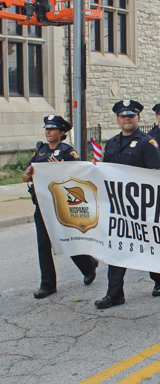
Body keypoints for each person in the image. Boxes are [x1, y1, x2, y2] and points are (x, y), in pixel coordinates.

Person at [95, 100, 160, 309]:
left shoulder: (148, 143)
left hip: (142, 206)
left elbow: (156, 175)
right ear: (118, 119)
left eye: (131, 116)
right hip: (118, 207)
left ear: (138, 118)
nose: (127, 119)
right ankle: (115, 293)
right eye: (123, 116)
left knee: (149, 247)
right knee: (116, 248)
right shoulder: (111, 143)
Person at [22, 115, 98, 299]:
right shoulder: (40, 152)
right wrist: (28, 173)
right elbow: (25, 178)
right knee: (43, 244)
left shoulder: (68, 152)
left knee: (66, 240)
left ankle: (88, 266)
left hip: (61, 206)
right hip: (42, 205)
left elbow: (77, 178)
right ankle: (48, 285)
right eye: (46, 129)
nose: (48, 132)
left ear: (62, 132)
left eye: (52, 129)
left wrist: (61, 169)